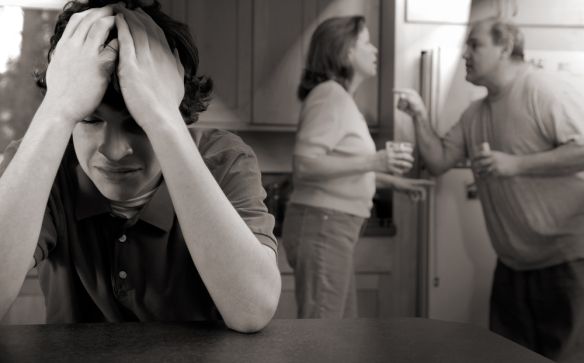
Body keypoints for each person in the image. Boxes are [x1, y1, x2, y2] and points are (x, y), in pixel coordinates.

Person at [0, 0, 281, 333]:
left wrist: (162, 117)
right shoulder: (41, 161)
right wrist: (58, 109)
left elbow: (252, 310)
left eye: (139, 122)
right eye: (90, 119)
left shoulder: (224, 159)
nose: (115, 151)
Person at [396, 18, 584, 361]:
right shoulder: (475, 113)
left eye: (475, 45)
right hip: (512, 263)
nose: (465, 53)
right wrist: (420, 116)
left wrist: (516, 164)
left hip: (567, 261)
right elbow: (438, 161)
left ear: (506, 48)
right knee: (506, 356)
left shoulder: (543, 90)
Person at [281, 15, 433, 319]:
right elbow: (305, 166)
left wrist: (394, 181)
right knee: (323, 337)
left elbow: (340, 166)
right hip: (323, 225)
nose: (375, 50)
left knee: (339, 333)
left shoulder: (340, 99)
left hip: (331, 226)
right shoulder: (329, 97)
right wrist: (375, 160)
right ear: (346, 51)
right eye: (366, 42)